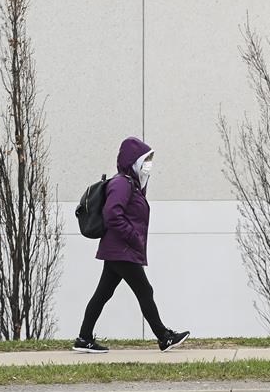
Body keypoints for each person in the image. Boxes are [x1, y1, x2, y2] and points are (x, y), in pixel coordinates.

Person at [73, 136, 190, 353]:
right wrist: (133, 237)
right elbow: (111, 214)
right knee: (145, 291)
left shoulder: (131, 184)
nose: (149, 165)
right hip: (122, 249)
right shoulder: (122, 184)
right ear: (133, 161)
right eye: (146, 160)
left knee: (102, 294)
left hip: (118, 249)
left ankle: (84, 338)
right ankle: (164, 337)